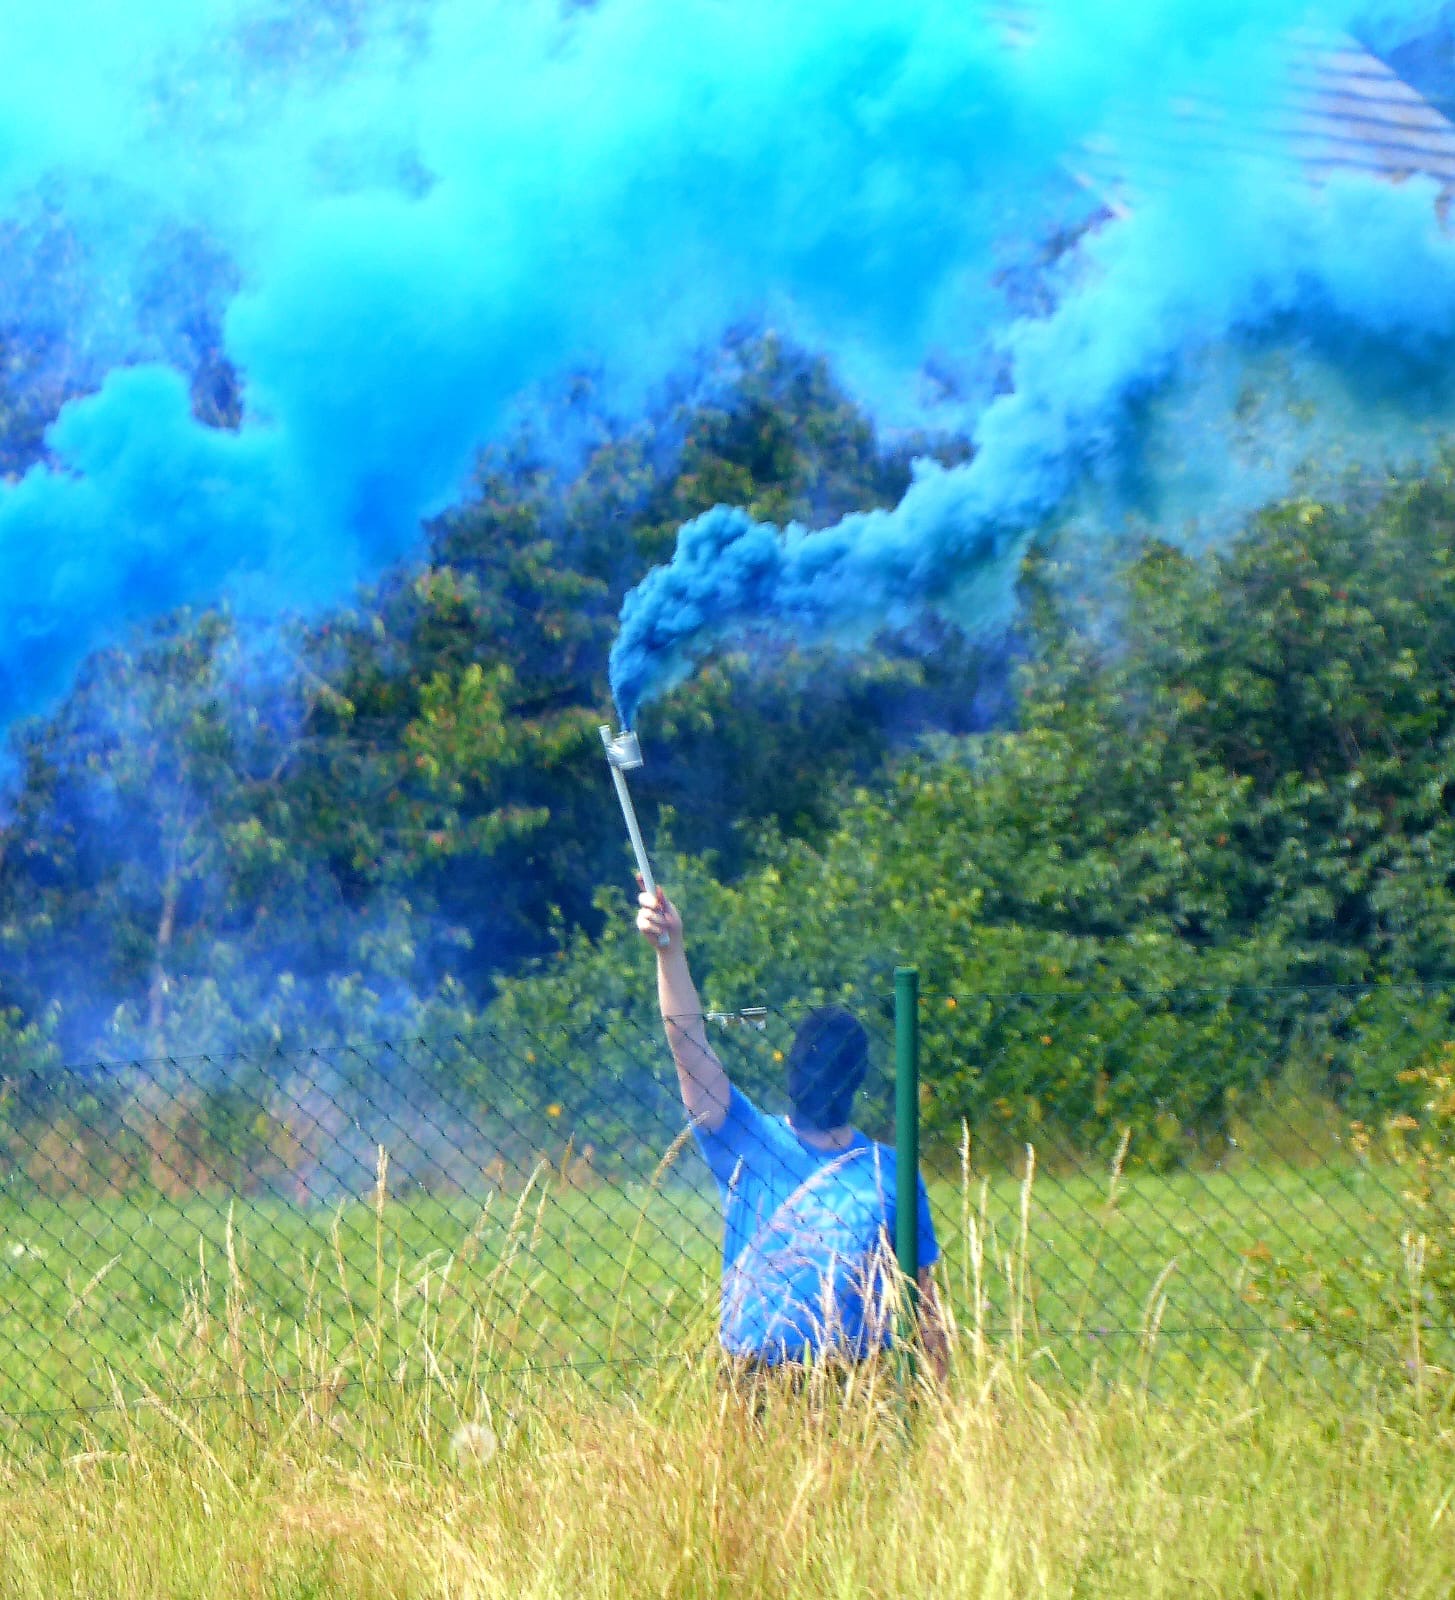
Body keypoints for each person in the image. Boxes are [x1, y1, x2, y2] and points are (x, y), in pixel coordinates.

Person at [636, 882, 949, 1382]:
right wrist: (669, 952)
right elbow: (687, 1043)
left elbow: (924, 1301)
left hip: (857, 1385)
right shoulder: (747, 1140)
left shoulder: (889, 1172)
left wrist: (941, 1403)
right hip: (754, 1379)